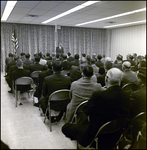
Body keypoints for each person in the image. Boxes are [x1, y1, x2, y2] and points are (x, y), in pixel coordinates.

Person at [62, 68, 129, 149]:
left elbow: (86, 110)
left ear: (106, 78)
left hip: (95, 133)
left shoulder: (99, 95)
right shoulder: (126, 95)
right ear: (120, 80)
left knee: (65, 127)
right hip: (115, 133)